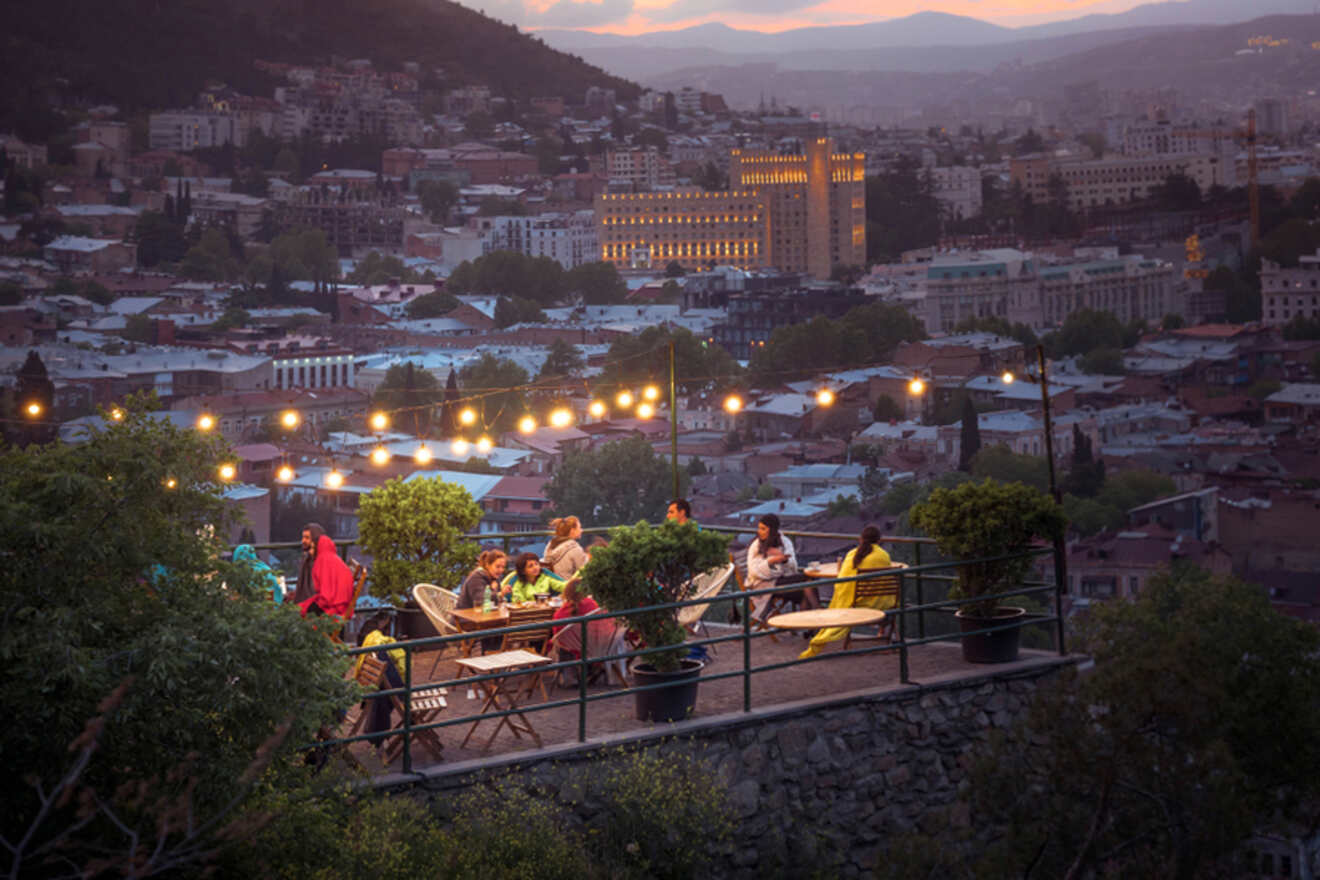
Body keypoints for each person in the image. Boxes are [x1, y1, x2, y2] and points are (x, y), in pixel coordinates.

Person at [799, 526, 894, 659]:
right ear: (879, 540)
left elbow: (842, 583)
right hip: (877, 604)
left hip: (854, 603)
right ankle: (885, 634)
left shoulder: (852, 555)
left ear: (861, 539)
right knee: (894, 600)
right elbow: (887, 581)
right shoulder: (884, 556)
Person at [746, 513, 818, 619]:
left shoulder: (785, 542)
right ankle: (817, 616)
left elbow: (793, 565)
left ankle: (811, 625)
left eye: (763, 529)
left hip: (783, 580)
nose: (759, 532)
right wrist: (771, 561)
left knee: (807, 587)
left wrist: (783, 561)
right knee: (807, 583)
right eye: (759, 528)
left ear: (772, 530)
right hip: (764, 585)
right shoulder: (756, 546)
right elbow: (753, 571)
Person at [297, 531, 355, 618]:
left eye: (313, 548)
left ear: (319, 548)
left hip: (335, 607)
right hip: (342, 603)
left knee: (299, 612)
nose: (311, 552)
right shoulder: (332, 558)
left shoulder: (323, 562)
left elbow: (326, 597)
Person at [551, 579, 600, 663]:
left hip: (572, 651)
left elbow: (557, 636)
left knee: (557, 644)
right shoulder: (593, 606)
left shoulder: (560, 614)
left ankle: (567, 673)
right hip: (596, 648)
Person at [501, 552, 566, 604]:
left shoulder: (545, 578)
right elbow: (518, 603)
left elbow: (563, 586)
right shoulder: (518, 584)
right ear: (523, 571)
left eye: (536, 564)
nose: (535, 567)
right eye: (530, 566)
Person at [291, 523, 326, 605]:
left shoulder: (318, 562)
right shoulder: (308, 557)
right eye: (302, 537)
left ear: (315, 540)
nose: (303, 541)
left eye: (307, 538)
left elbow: (314, 592)